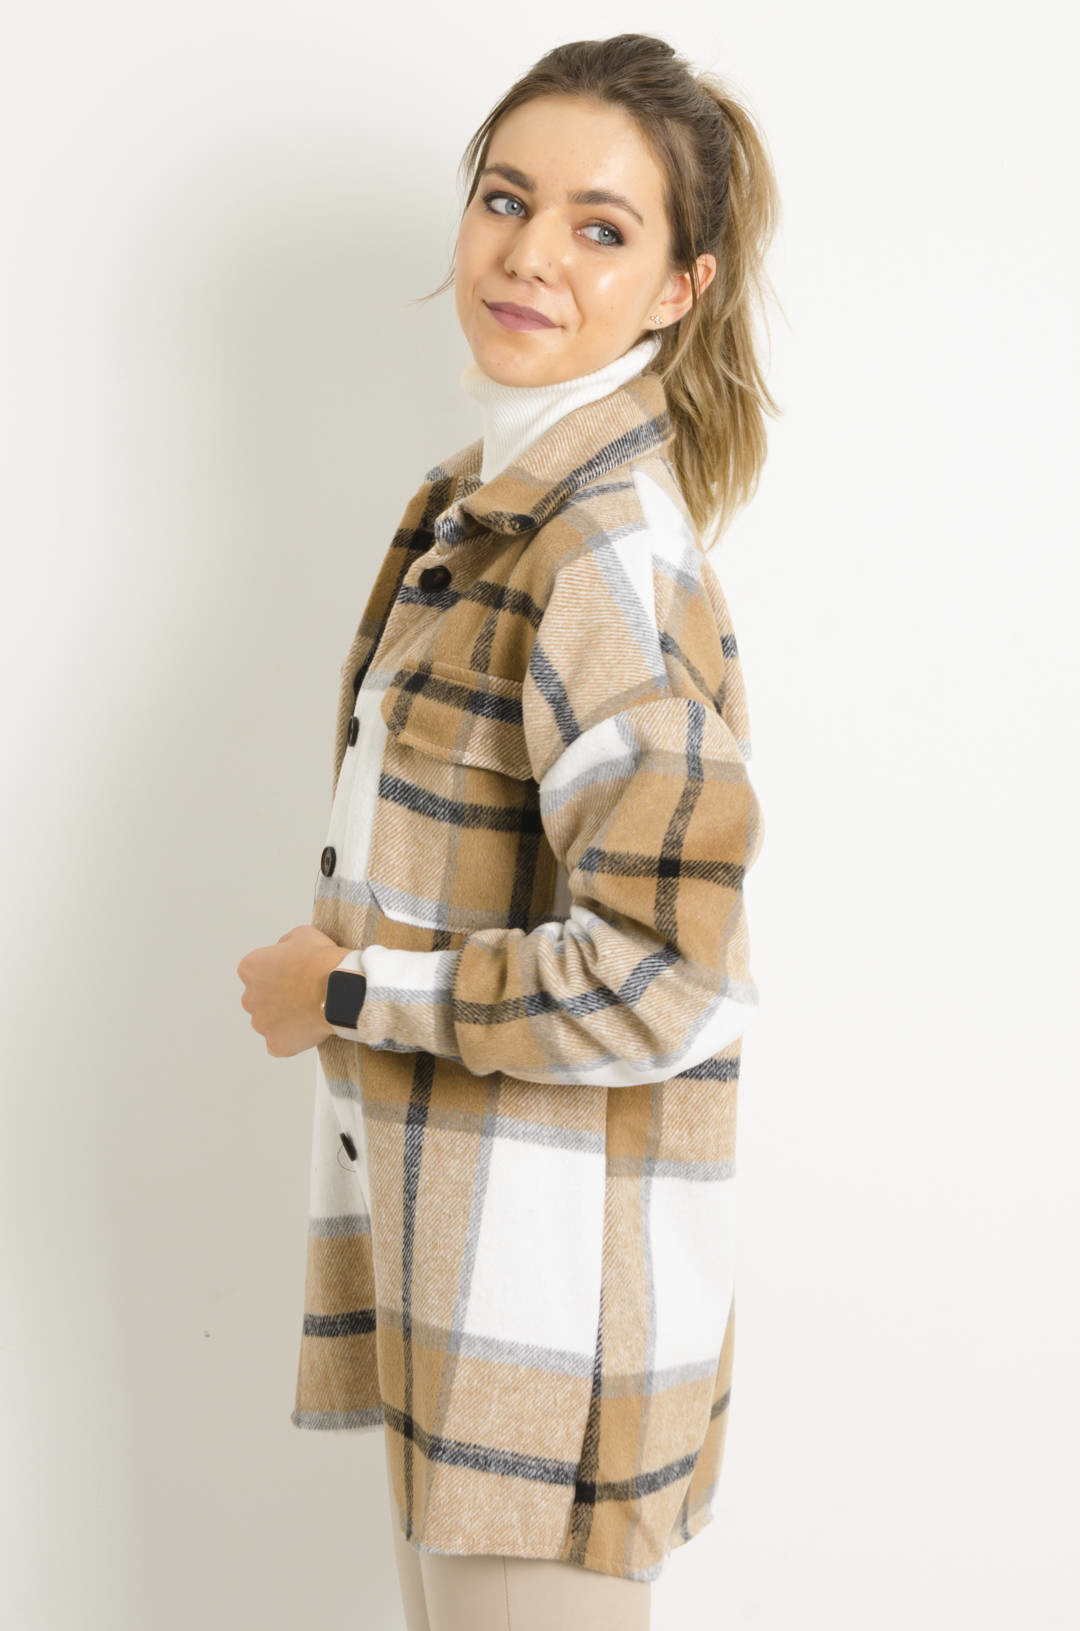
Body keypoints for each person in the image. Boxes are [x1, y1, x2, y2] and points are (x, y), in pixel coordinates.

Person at [237, 31, 780, 1631]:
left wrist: (347, 991)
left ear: (678, 287)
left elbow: (668, 980)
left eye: (602, 228)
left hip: (549, 1331)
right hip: (464, 1276)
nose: (533, 253)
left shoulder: (602, 550)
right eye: (506, 199)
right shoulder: (471, 510)